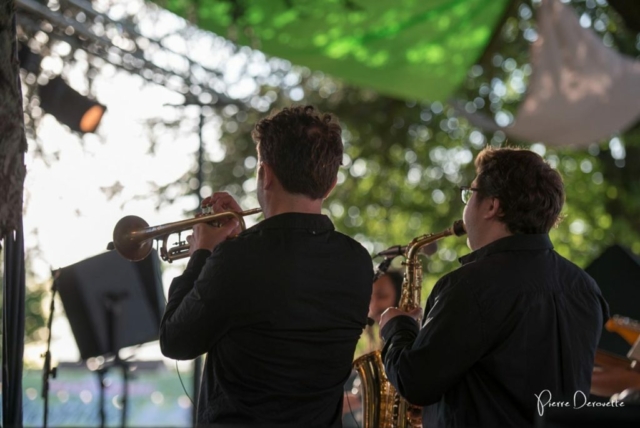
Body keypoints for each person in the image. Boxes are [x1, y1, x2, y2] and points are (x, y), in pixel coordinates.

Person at [160, 105, 373, 427]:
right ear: (330, 185)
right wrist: (234, 247)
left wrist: (202, 252)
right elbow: (281, 297)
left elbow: (175, 340)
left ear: (265, 173)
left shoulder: (237, 261)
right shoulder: (357, 261)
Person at [380, 147, 609, 427]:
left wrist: (397, 327)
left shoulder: (467, 285)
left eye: (470, 193)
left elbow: (415, 382)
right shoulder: (586, 288)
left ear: (492, 206)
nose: (465, 206)